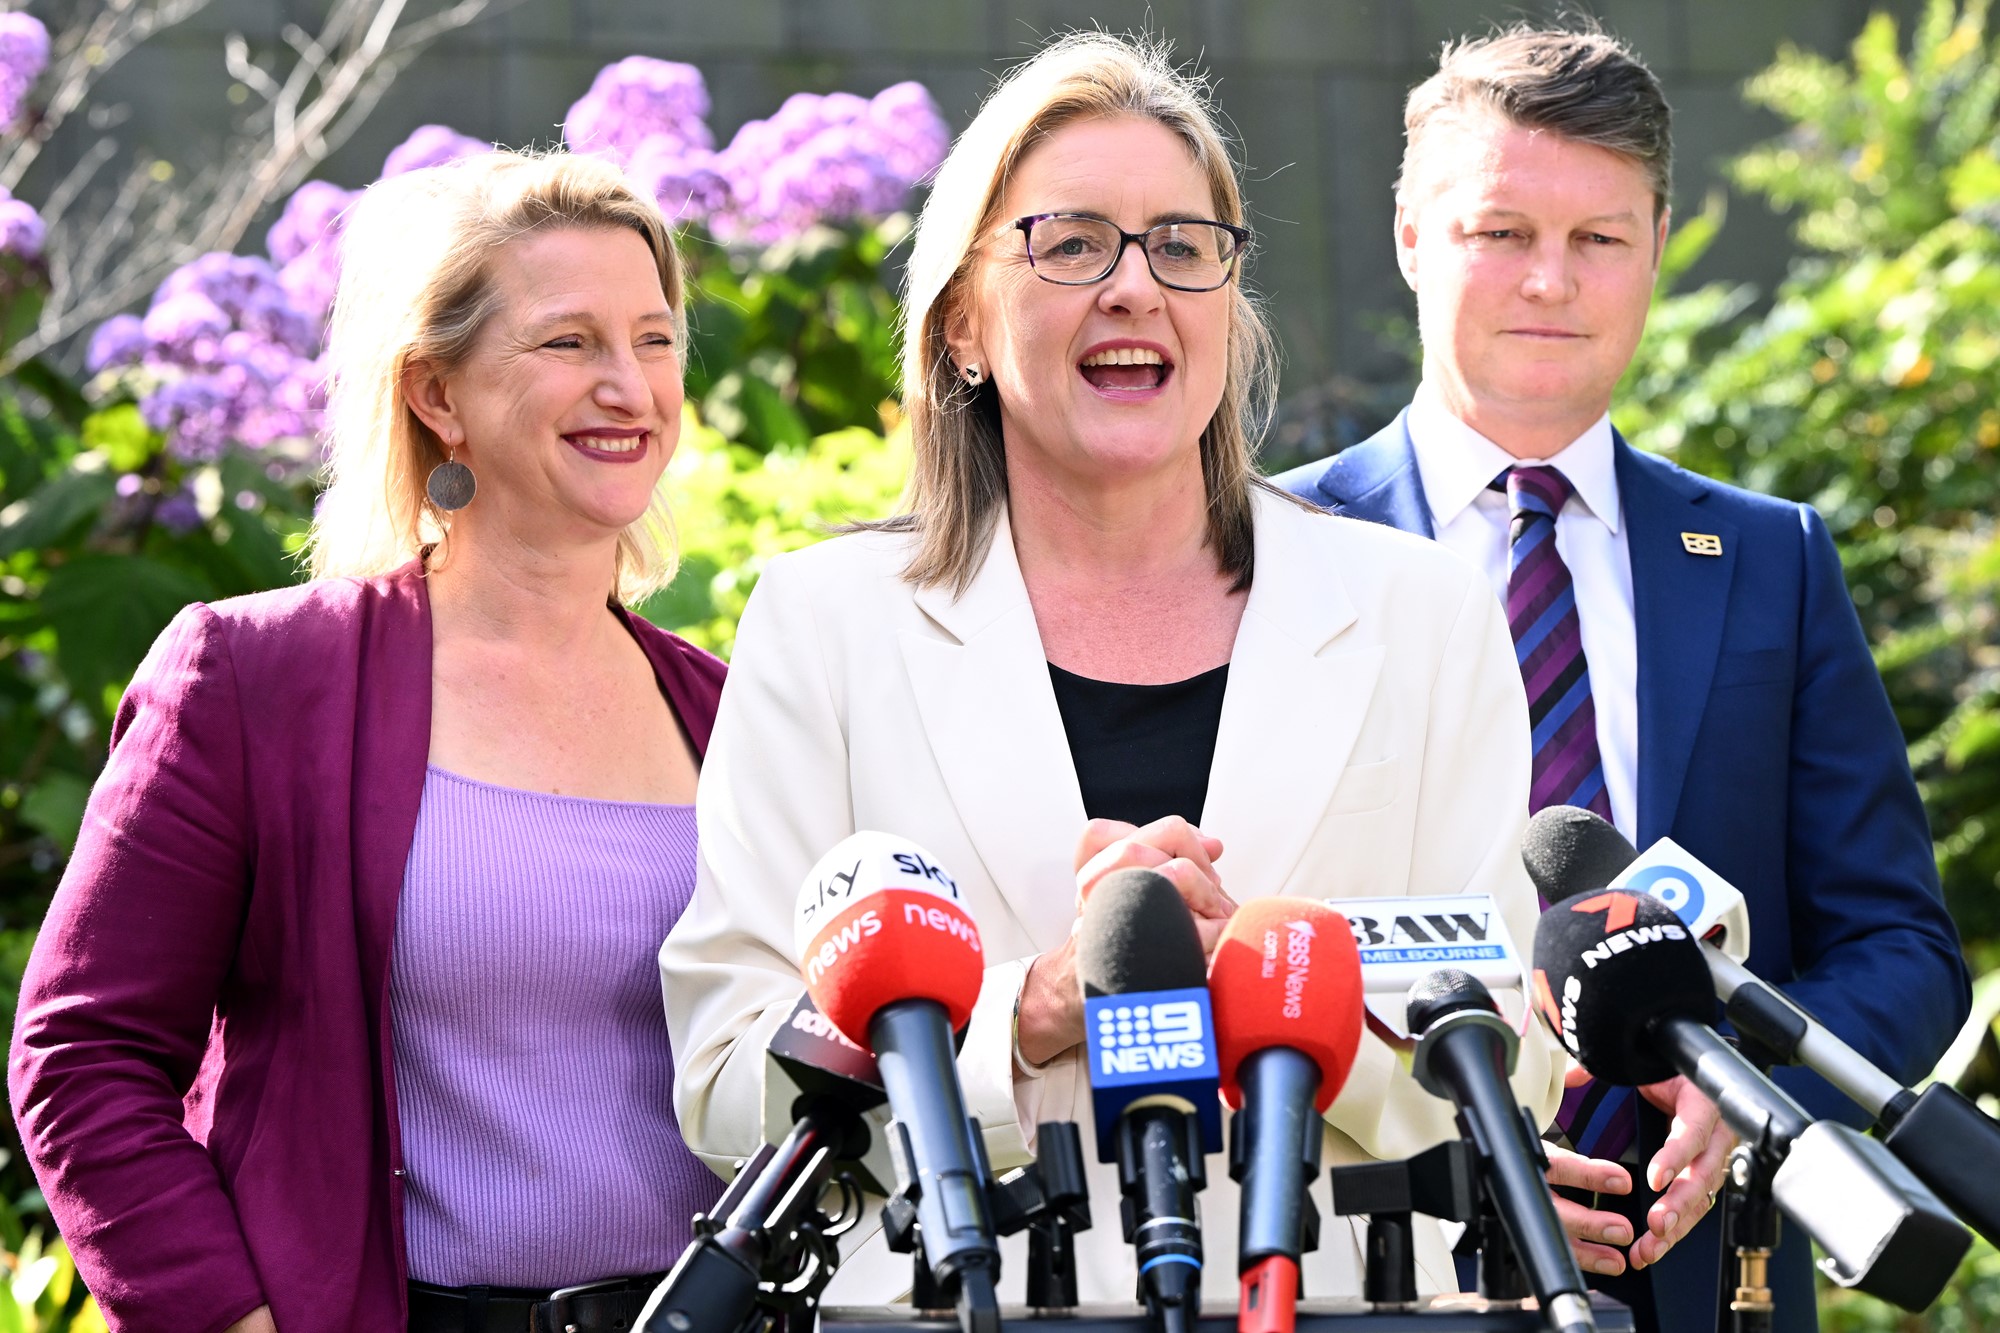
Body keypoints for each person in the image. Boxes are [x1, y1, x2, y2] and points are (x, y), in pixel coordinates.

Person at [663, 33, 1563, 1306]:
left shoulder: (1419, 612)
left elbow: (1512, 1066)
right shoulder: (826, 624)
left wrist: (1261, 975)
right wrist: (1016, 1017)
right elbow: (724, 1076)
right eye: (1071, 243)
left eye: (1182, 247)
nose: (1135, 288)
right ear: (964, 321)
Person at [1276, 27, 1971, 1333]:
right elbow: (1225, 957)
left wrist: (1754, 1083)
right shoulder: (1266, 554)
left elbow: (1902, 948)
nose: (1553, 281)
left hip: (1709, 1287)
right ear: (1414, 237)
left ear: (1656, 244)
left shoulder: (1771, 562)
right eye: (1501, 231)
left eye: (1599, 238)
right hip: (1377, 1278)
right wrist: (1440, 1134)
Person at [9, 151, 729, 1333]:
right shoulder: (256, 679)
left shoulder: (726, 708)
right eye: (568, 343)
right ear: (437, 394)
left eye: (654, 341)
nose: (630, 385)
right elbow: (83, 1057)